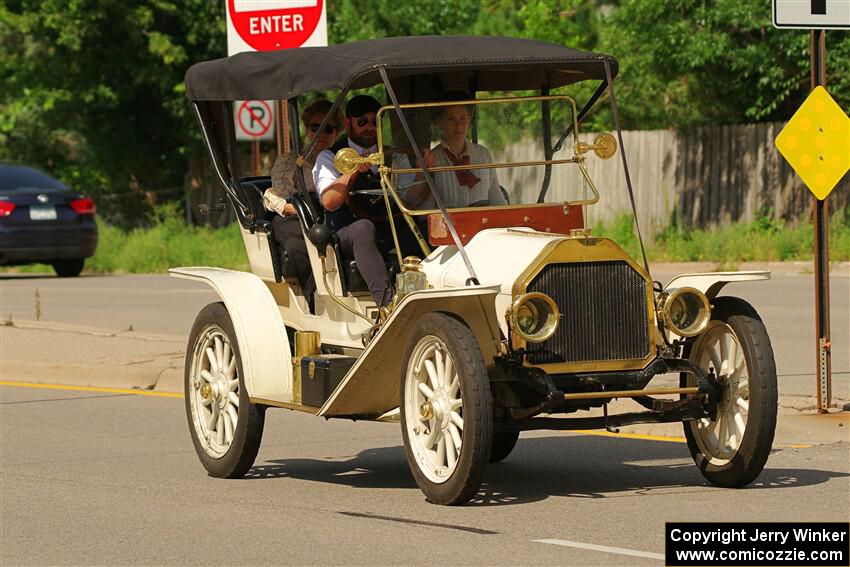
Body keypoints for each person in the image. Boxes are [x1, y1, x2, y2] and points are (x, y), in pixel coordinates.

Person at [263, 99, 343, 312]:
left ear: (337, 131)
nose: (321, 133)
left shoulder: (341, 159)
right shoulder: (290, 161)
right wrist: (293, 208)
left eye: (328, 128)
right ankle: (315, 301)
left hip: (329, 213)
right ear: (306, 128)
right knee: (300, 243)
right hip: (294, 215)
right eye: (315, 127)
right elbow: (274, 194)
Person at [312, 95, 391, 305]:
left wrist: (423, 174)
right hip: (345, 231)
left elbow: (412, 197)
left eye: (375, 122)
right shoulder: (329, 157)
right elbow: (329, 201)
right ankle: (386, 305)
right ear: (348, 123)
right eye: (362, 122)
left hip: (387, 223)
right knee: (362, 229)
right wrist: (353, 170)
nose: (369, 128)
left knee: (427, 224)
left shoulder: (389, 154)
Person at [402, 91, 507, 210]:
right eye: (451, 119)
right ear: (438, 123)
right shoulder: (432, 160)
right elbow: (421, 209)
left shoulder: (483, 155)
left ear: (470, 120)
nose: (458, 126)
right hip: (447, 227)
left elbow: (497, 199)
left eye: (463, 118)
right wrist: (421, 173)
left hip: (482, 225)